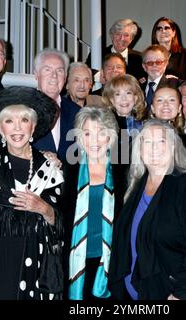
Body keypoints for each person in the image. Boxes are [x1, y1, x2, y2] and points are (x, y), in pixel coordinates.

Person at [109, 119, 186, 300]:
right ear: (139, 149)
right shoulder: (137, 184)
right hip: (137, 292)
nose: (153, 148)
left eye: (161, 141)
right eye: (147, 142)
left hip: (173, 292)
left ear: (173, 146)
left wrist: (182, 292)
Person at [0, 86, 64, 300]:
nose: (17, 128)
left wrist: (43, 208)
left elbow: (63, 222)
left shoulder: (49, 167)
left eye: (24, 120)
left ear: (33, 127)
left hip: (37, 259)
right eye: (9, 121)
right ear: (0, 128)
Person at [61, 106, 127, 300]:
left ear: (110, 137)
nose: (95, 141)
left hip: (113, 259)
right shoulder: (67, 170)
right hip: (74, 259)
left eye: (101, 133)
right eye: (88, 133)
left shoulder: (123, 170)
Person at [33, 48, 80, 163]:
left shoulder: (77, 112)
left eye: (60, 71)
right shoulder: (21, 109)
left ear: (65, 77)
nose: (54, 76)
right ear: (36, 74)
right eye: (47, 70)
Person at [150, 84, 186, 159]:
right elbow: (125, 161)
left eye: (171, 100)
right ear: (152, 108)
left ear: (179, 108)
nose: (166, 104)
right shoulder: (140, 136)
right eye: (160, 100)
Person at [141, 45, 180, 111]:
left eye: (158, 62)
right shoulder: (138, 86)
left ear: (165, 64)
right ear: (144, 67)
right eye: (150, 63)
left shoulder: (176, 85)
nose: (154, 66)